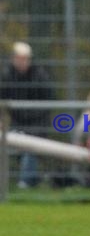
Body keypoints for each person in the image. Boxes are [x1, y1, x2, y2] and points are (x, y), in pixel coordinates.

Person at [0, 41, 53, 188]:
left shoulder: (40, 75)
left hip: (38, 122)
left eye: (25, 58)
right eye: (19, 58)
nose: (22, 62)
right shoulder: (7, 75)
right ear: (13, 58)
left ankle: (25, 182)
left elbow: (47, 102)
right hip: (16, 121)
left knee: (30, 143)